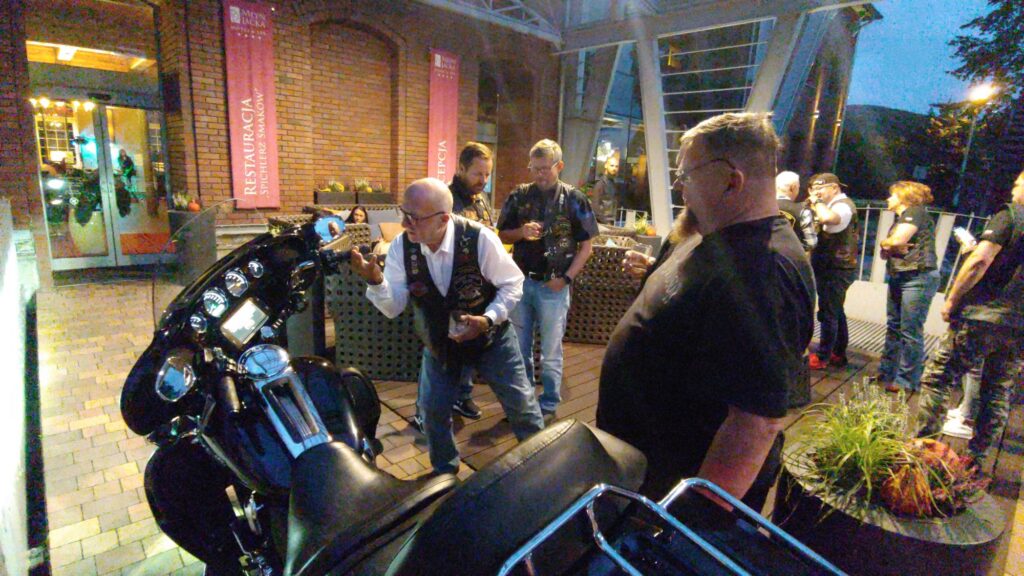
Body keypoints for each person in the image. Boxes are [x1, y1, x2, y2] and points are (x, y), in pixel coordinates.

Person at [597, 113, 816, 508]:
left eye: (687, 175)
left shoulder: (765, 269)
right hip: (636, 469)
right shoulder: (713, 232)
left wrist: (688, 518)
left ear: (732, 180)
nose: (679, 187)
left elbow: (756, 422)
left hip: (669, 496)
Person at [349, 178, 545, 473]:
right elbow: (394, 307)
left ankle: (543, 470)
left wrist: (488, 318)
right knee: (432, 413)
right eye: (403, 213)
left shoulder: (479, 238)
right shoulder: (402, 246)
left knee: (523, 408)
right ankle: (446, 474)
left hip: (491, 339)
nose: (404, 223)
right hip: (440, 342)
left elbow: (513, 283)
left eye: (413, 217)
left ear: (443, 219)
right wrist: (376, 281)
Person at [915, 169, 1024, 468]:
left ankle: (923, 454)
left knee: (939, 377)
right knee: (997, 390)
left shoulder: (1012, 216)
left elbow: (980, 260)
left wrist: (952, 298)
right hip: (1019, 326)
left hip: (984, 315)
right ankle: (975, 462)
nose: (1013, 191)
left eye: (1017, 185)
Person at [497, 139, 599, 416]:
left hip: (554, 286)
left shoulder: (575, 198)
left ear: (559, 166)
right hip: (521, 283)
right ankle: (524, 401)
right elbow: (503, 233)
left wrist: (565, 279)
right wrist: (521, 232)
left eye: (545, 168)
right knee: (519, 348)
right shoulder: (519, 195)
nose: (540, 174)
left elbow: (587, 247)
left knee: (551, 351)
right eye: (535, 168)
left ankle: (550, 403)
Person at [409, 143, 497, 432]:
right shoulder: (443, 201)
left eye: (487, 174)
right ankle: (423, 411)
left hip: (474, 289)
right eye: (477, 174)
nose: (483, 180)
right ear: (460, 169)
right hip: (443, 292)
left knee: (467, 345)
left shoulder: (481, 200)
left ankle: (462, 396)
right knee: (437, 353)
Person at [875, 181, 940, 392]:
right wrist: (888, 244)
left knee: (910, 331)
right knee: (895, 327)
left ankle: (907, 380)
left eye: (892, 195)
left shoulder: (915, 212)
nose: (888, 199)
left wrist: (888, 243)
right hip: (902, 275)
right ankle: (888, 373)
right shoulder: (902, 218)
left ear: (904, 197)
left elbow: (895, 242)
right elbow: (888, 250)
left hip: (917, 277)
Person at [807, 173, 859, 370]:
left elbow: (828, 219)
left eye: (820, 188)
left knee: (829, 313)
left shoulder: (843, 206)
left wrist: (816, 203)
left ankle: (823, 356)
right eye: (813, 189)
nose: (816, 193)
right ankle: (838, 352)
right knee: (836, 311)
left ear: (835, 188)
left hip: (836, 268)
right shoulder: (835, 204)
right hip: (831, 267)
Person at [776, 171, 817, 251]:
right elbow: (811, 243)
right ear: (793, 188)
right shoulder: (803, 210)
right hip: (790, 256)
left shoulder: (762, 206)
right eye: (798, 188)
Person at [590, 154, 620, 225]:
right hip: (602, 223)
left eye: (616, 166)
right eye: (612, 165)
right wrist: (605, 222)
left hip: (610, 221)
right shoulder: (600, 184)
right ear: (606, 165)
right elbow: (595, 207)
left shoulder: (613, 183)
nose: (614, 168)